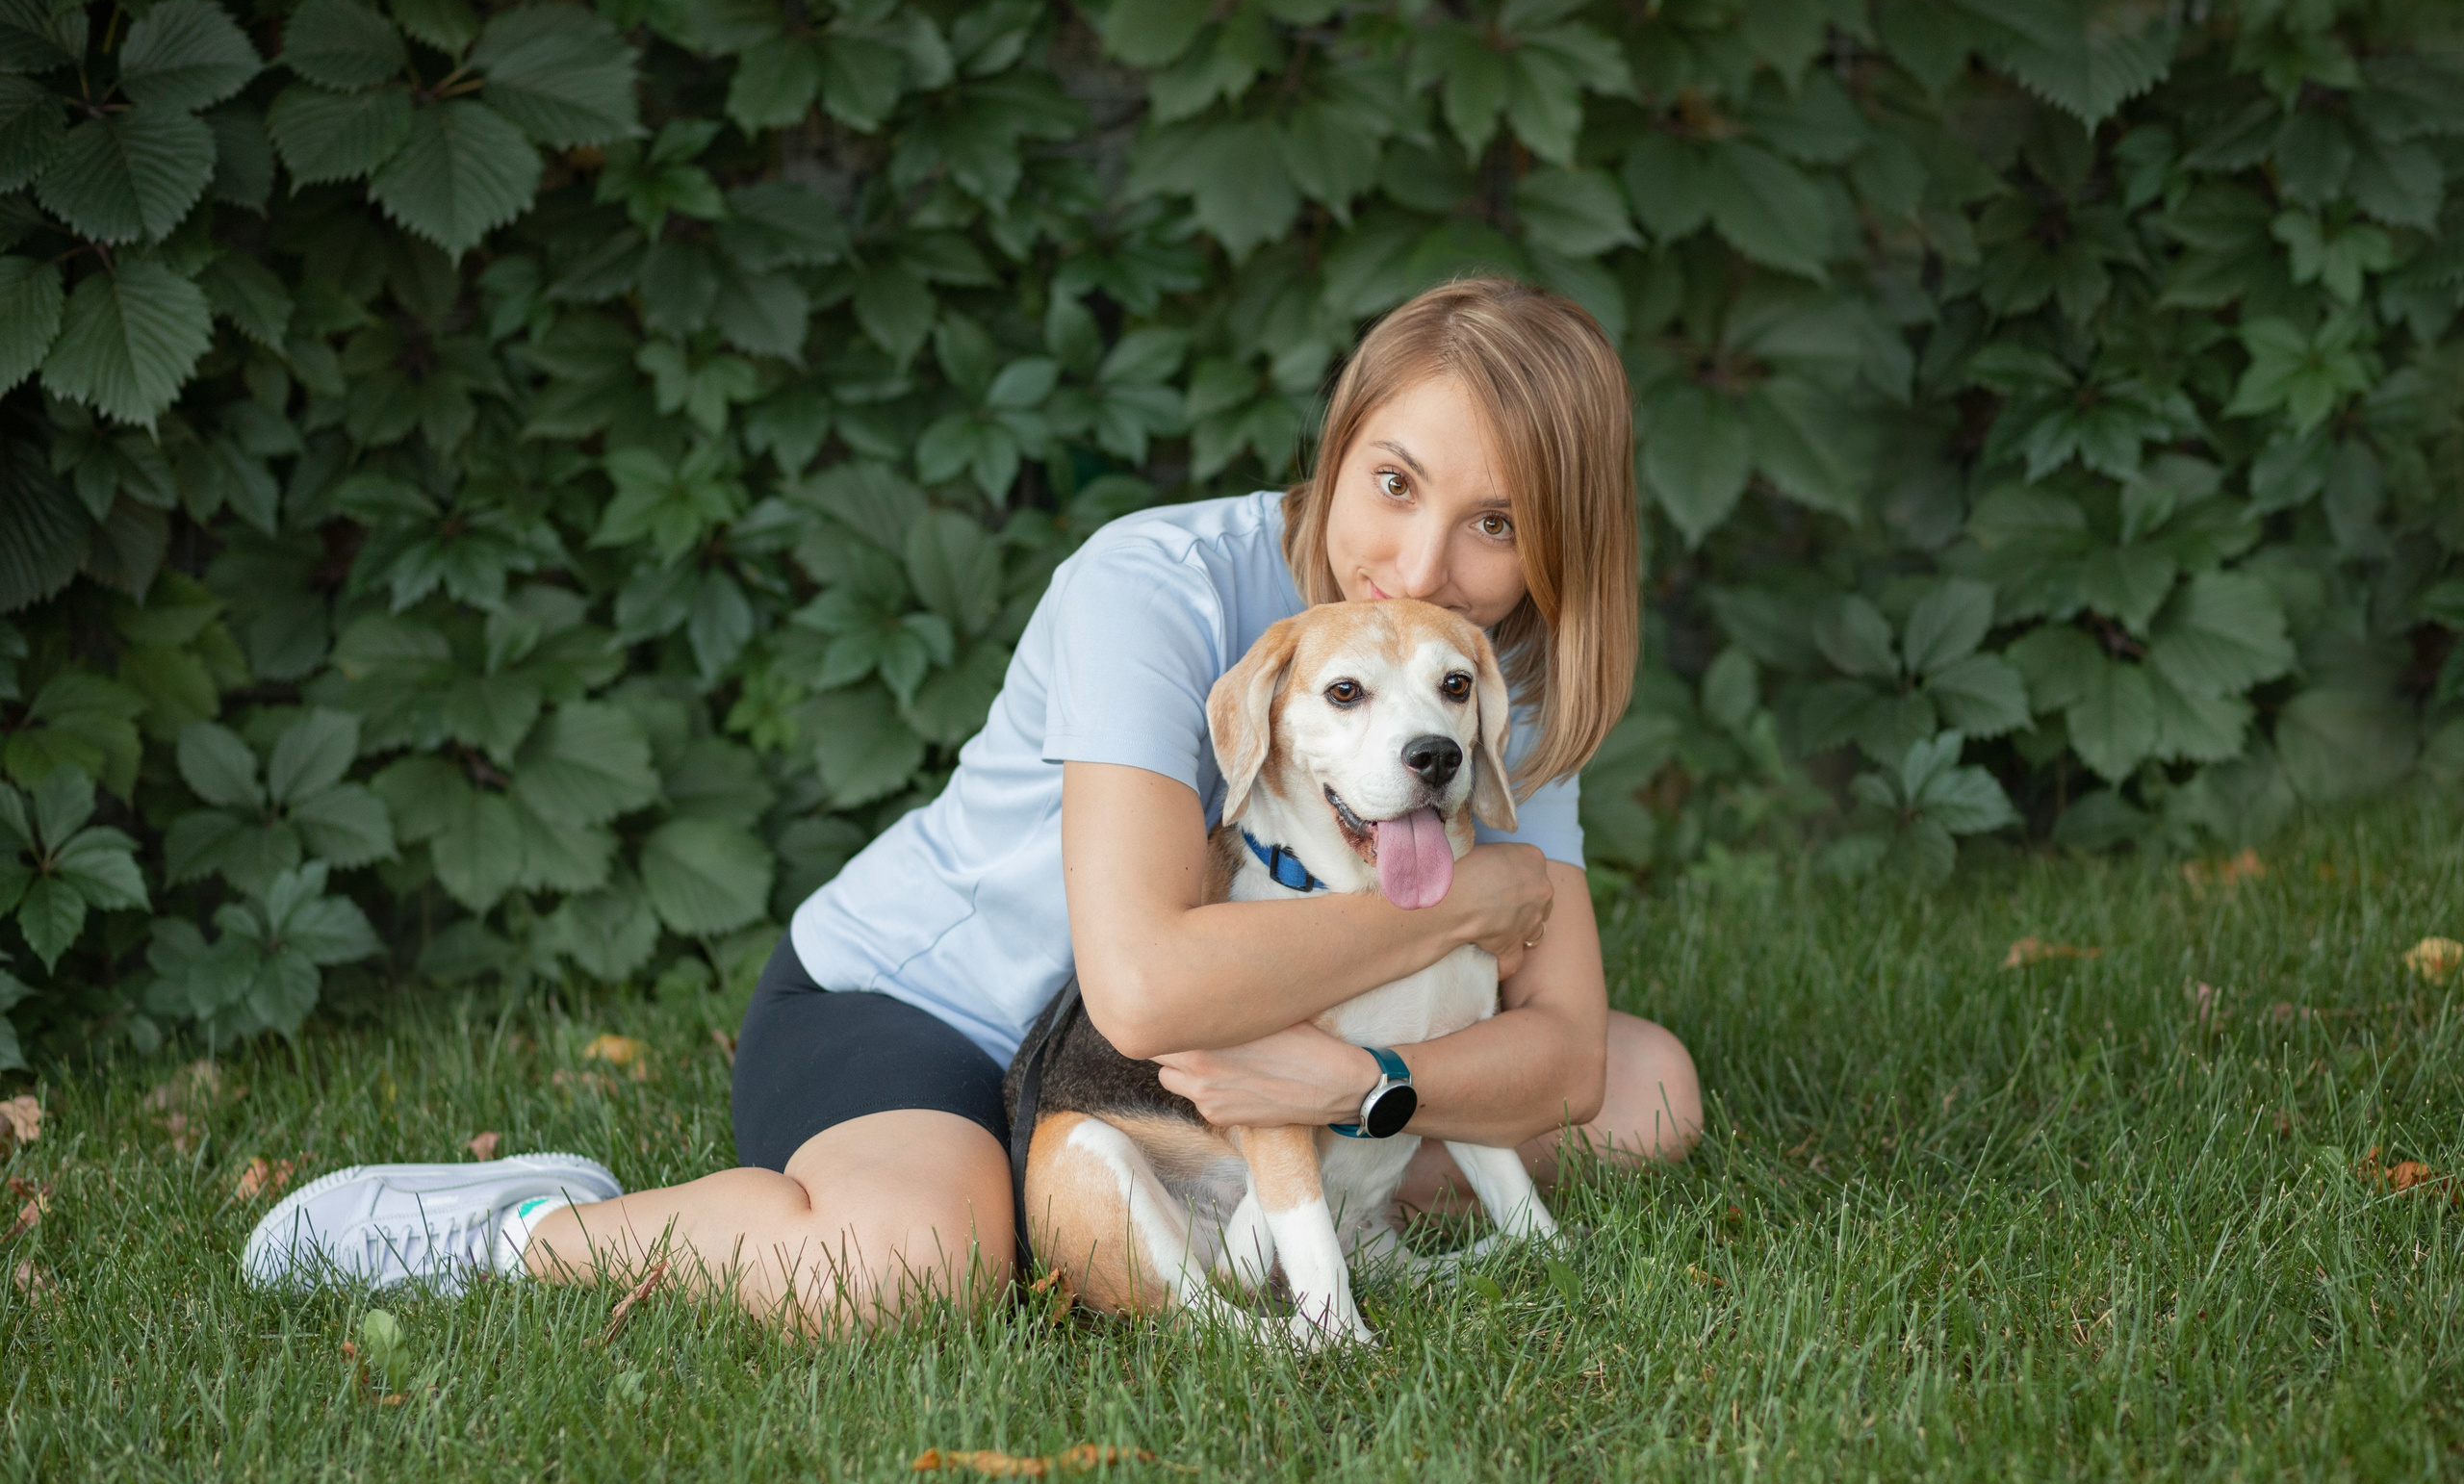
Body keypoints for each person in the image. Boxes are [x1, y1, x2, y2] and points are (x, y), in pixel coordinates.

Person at [243, 277, 1704, 1329]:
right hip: (936, 1009)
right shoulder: (1157, 587)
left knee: (1649, 1099)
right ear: (1339, 446)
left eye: (1495, 524)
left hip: (1237, 1077)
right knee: (914, 1268)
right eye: (1394, 482)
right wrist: (1496, 903)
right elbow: (1141, 991)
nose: (1422, 563)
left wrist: (1362, 1086)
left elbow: (1568, 1055)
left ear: (1550, 555)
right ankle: (520, 1236)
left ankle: (1236, 1212)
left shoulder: (1478, 674)